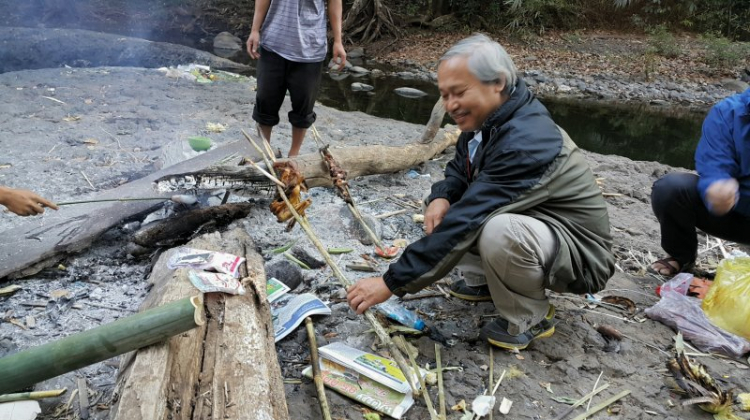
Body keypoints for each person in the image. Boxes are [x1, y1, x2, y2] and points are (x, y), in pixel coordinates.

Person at [346, 34, 615, 350]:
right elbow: (460, 172)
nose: (450, 106)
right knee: (442, 202)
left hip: (581, 254)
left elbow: (469, 219)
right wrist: (442, 195)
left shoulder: (527, 140)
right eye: (444, 96)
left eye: (459, 93)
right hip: (540, 229)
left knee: (498, 230)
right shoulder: (486, 123)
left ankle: (530, 317)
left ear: (498, 82)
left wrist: (391, 282)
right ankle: (483, 283)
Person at [650, 88, 750, 276]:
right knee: (671, 189)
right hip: (732, 212)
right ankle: (681, 256)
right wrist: (717, 187)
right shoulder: (728, 112)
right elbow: (714, 164)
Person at [246, 0, 346, 157]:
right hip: (273, 42)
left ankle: (294, 157)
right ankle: (263, 153)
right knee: (265, 101)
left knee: (303, 108)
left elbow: (335, 3)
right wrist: (255, 29)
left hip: (310, 48)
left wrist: (338, 41)